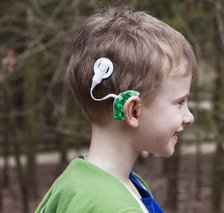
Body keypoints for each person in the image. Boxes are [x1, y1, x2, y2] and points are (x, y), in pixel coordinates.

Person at [35, 6, 197, 213]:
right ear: (133, 111)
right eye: (180, 102)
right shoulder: (116, 207)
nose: (189, 117)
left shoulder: (77, 181)